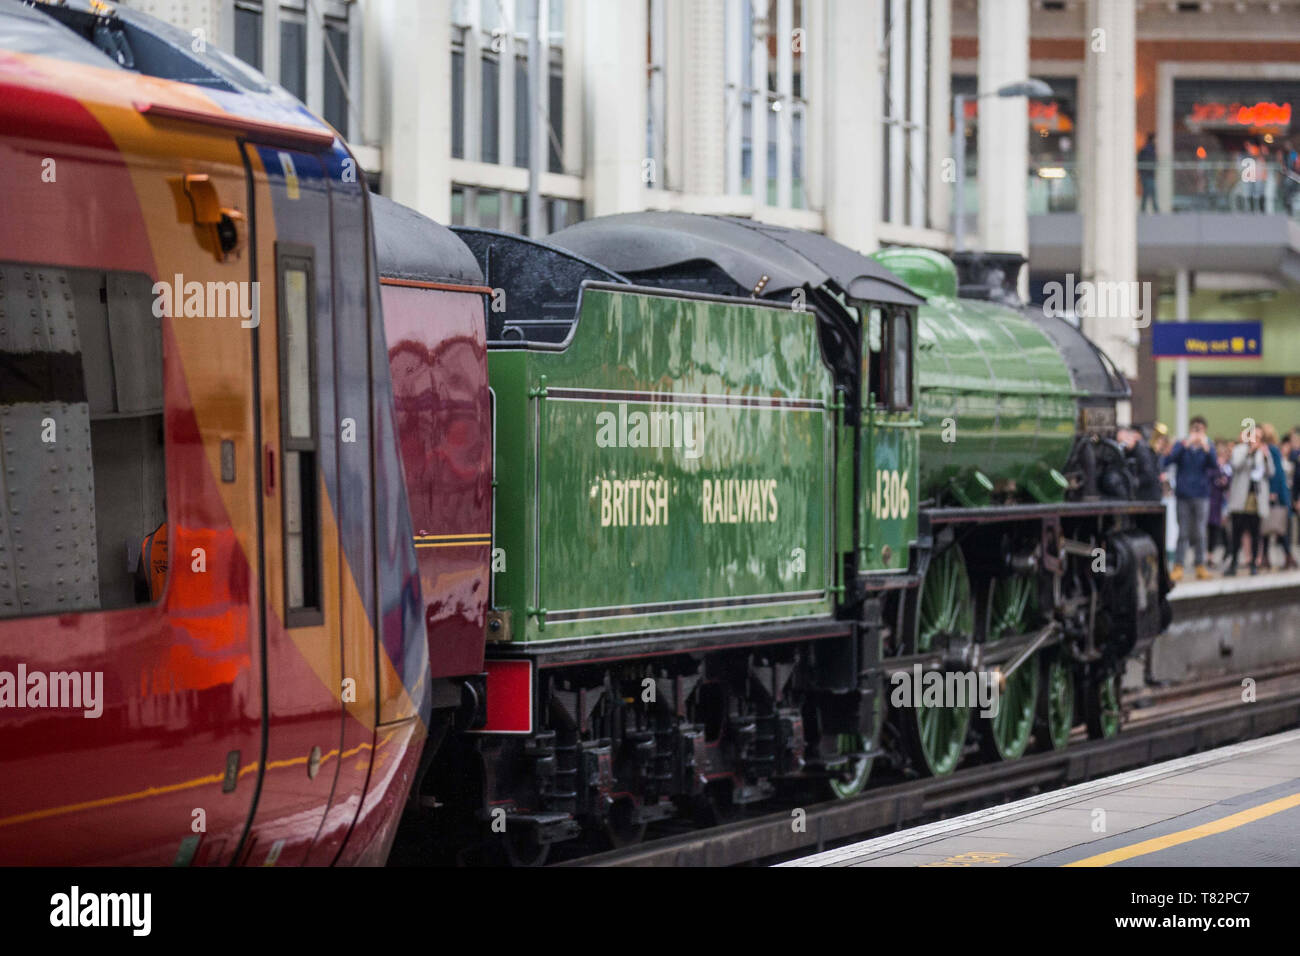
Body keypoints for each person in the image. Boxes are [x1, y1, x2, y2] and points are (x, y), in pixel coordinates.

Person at [1161, 415, 1215, 581]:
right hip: (1183, 495)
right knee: (1182, 532)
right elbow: (1168, 460)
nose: (1197, 433)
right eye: (1194, 429)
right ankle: (1178, 566)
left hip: (1201, 495)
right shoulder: (1182, 445)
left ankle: (1200, 565)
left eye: (1200, 429)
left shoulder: (1208, 446)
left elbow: (1214, 466)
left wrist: (1206, 449)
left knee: (1200, 531)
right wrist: (1184, 446)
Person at [1226, 428, 1273, 576]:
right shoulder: (1240, 449)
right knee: (1237, 532)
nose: (1256, 440)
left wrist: (1265, 457)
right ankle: (1233, 563)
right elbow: (1235, 466)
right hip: (1240, 498)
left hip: (1256, 499)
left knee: (1255, 533)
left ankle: (1253, 563)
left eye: (1259, 437)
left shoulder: (1264, 451)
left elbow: (1271, 472)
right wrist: (1249, 452)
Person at [1260, 424, 1295, 570]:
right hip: (1273, 493)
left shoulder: (1272, 449)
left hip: (1276, 494)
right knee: (1267, 528)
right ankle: (1266, 558)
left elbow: (1276, 473)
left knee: (1277, 527)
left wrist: (1273, 491)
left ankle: (1288, 557)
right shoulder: (1267, 449)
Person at [1117, 425, 1162, 502]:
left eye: (1124, 440)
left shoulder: (1142, 452)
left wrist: (1134, 482)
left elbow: (1149, 474)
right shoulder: (1127, 452)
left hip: (1148, 497)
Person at [1206, 440, 1232, 568]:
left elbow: (1228, 483)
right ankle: (1208, 556)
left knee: (1218, 528)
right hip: (1211, 502)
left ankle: (1226, 550)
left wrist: (1225, 481)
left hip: (1221, 503)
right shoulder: (1212, 468)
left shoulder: (1227, 469)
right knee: (1210, 529)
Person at [1138, 133, 1158, 213]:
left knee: (1147, 192)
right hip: (1147, 174)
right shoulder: (1147, 150)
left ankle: (1144, 208)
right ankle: (1154, 208)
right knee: (1150, 191)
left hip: (1148, 174)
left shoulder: (1149, 149)